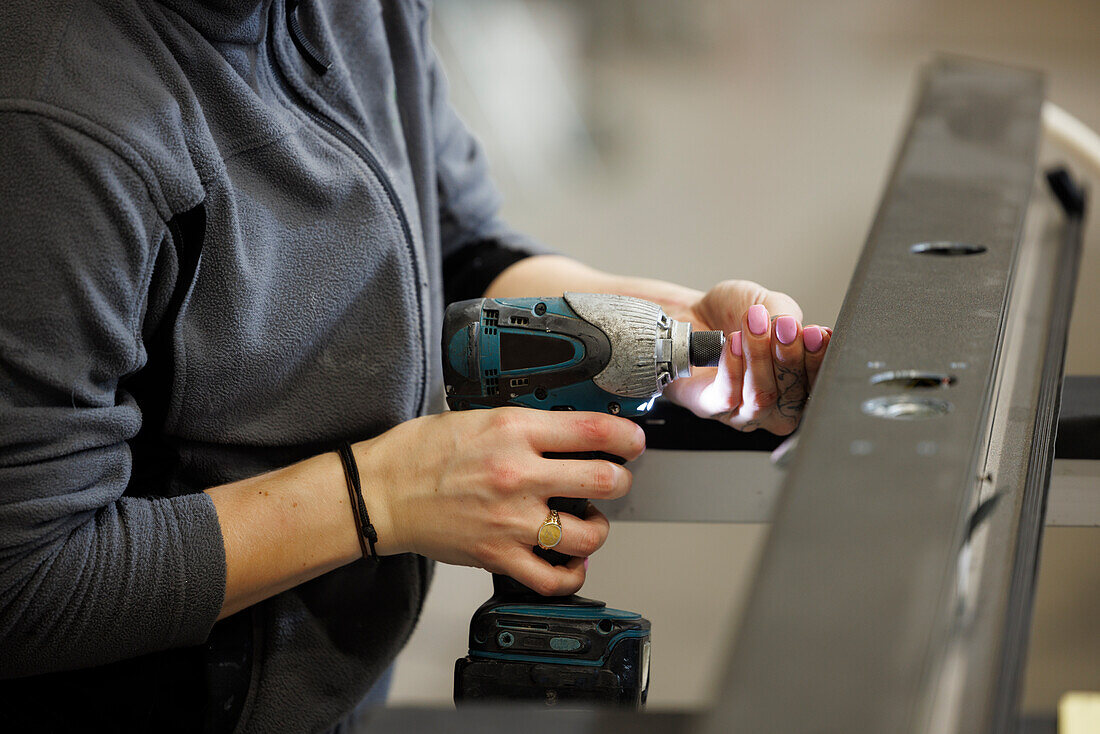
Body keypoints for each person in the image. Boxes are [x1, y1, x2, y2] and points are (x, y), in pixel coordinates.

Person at [0, 0, 832, 731]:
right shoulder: (56, 123)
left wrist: (664, 329)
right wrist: (382, 495)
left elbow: (456, 248)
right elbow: (26, 583)